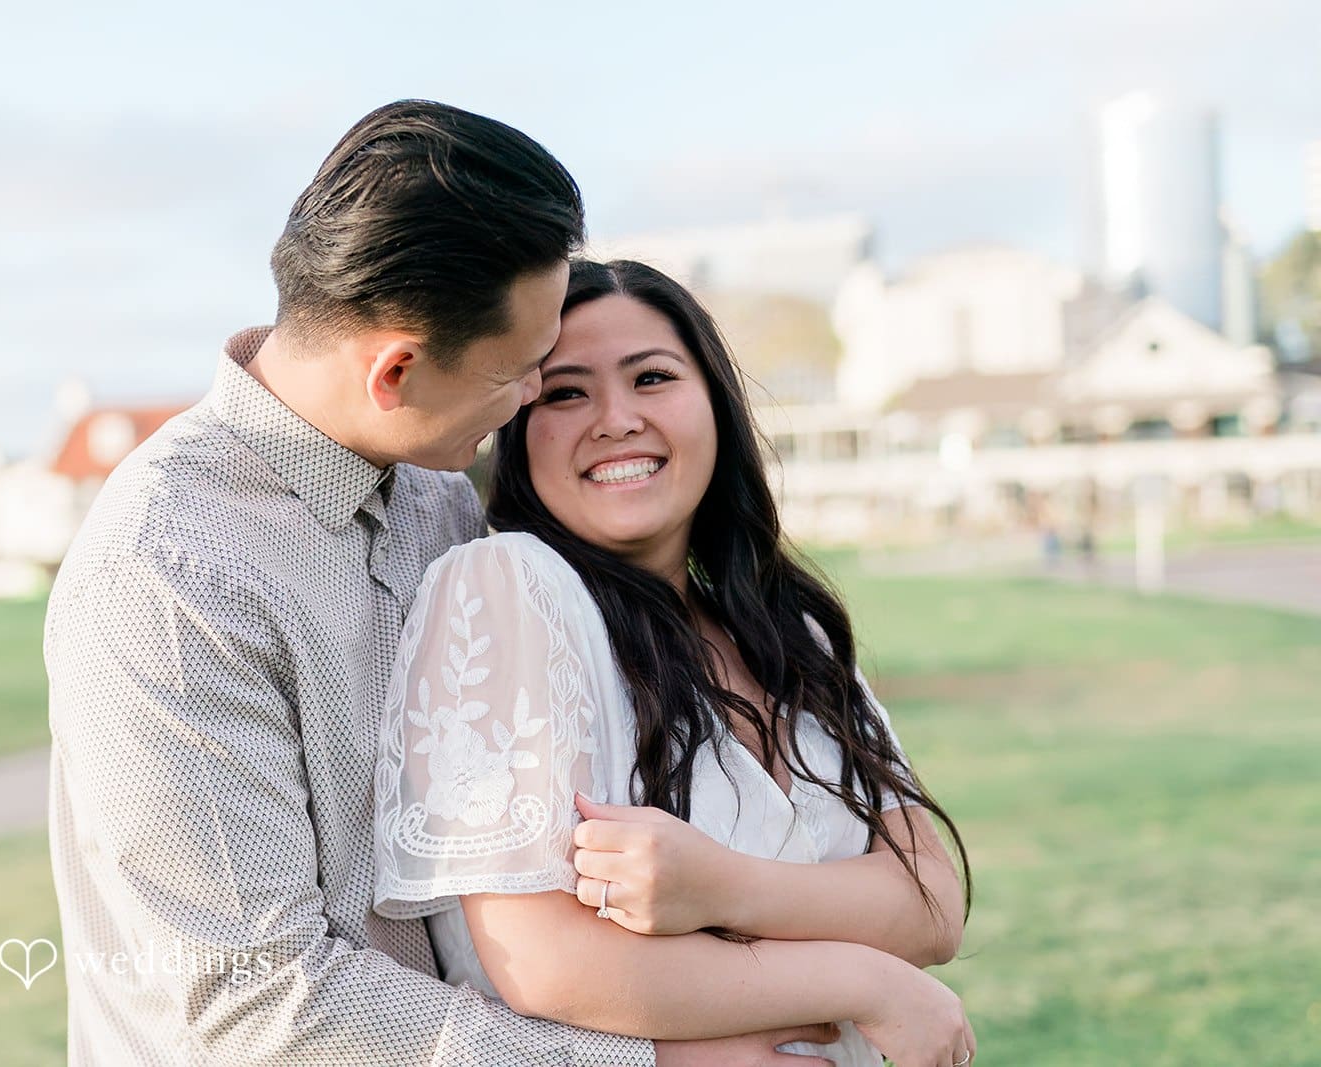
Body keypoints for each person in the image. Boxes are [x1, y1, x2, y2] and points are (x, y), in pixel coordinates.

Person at [45, 102, 840, 1065]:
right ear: (396, 371)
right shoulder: (167, 576)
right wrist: (663, 1060)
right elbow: (252, 1000)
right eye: (524, 376)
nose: (529, 403)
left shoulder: (435, 494)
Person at [374, 260, 978, 1067]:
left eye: (651, 377)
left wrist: (717, 885)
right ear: (519, 424)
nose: (617, 419)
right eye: (566, 392)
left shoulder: (789, 626)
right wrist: (863, 979)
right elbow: (544, 961)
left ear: (714, 402)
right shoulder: (509, 586)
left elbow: (932, 903)